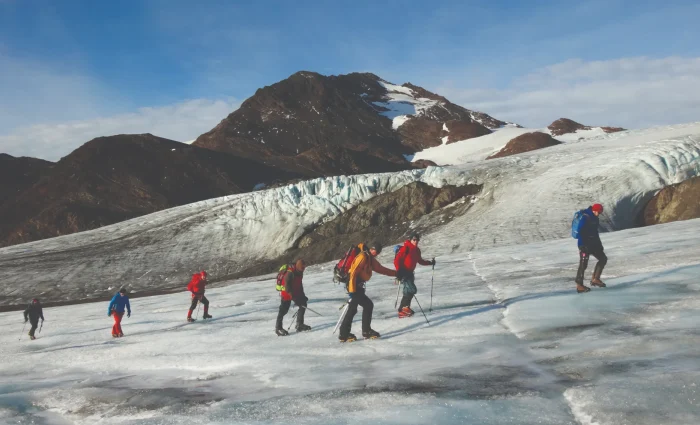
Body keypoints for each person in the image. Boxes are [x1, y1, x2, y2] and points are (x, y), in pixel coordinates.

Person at [338, 242, 396, 342]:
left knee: (367, 305)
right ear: (371, 248)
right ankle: (346, 334)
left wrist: (396, 273)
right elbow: (353, 273)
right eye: (375, 250)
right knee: (355, 308)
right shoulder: (363, 257)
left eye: (377, 252)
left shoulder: (370, 258)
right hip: (354, 285)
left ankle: (355, 332)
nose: (376, 253)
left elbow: (381, 269)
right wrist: (352, 290)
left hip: (358, 286)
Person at [394, 233, 435, 318]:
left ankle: (403, 310)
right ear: (410, 239)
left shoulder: (417, 250)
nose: (416, 241)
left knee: (407, 291)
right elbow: (397, 260)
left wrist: (430, 263)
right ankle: (404, 309)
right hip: (404, 272)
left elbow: (420, 261)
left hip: (410, 273)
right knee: (412, 289)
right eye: (414, 240)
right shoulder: (406, 248)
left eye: (417, 240)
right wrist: (399, 271)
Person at [575, 203, 608, 293]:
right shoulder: (586, 217)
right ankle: (579, 285)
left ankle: (595, 279)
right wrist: (583, 245)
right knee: (583, 264)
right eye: (598, 212)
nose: (599, 214)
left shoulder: (595, 218)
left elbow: (595, 233)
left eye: (600, 212)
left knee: (603, 258)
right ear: (594, 210)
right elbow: (580, 231)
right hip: (584, 245)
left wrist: (599, 245)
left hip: (593, 244)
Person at [275, 259, 311, 336]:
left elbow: (299, 284)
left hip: (295, 291)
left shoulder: (300, 272)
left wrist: (302, 296)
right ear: (298, 266)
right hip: (286, 293)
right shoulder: (290, 273)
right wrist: (292, 296)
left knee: (303, 304)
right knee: (283, 310)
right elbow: (287, 286)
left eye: (304, 267)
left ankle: (299, 325)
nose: (304, 269)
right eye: (302, 268)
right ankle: (278, 328)